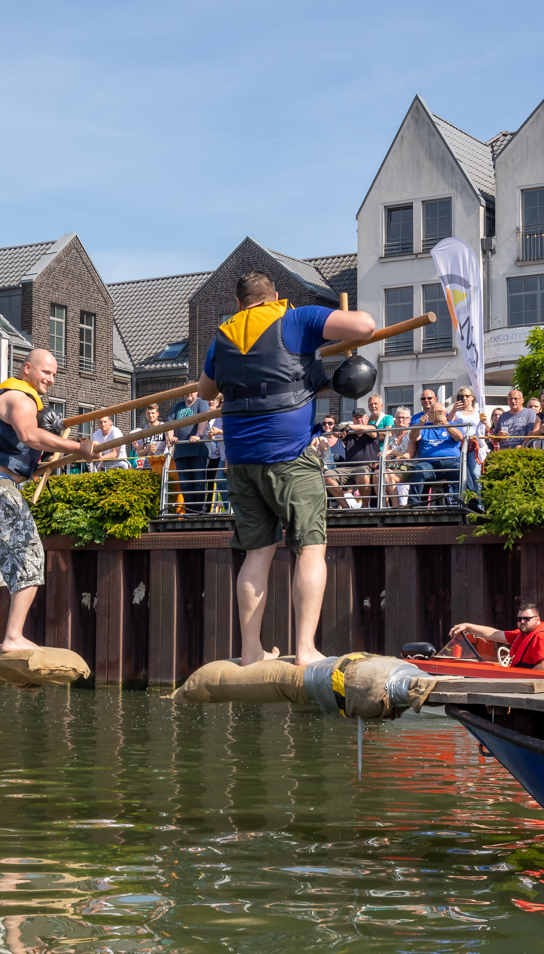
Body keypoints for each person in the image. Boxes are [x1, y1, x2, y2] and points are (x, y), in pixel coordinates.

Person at [194, 269, 375, 667]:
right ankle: (306, 650)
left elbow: (205, 392)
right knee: (310, 547)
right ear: (275, 295)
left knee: (256, 554)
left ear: (238, 303)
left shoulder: (223, 335)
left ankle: (250, 651)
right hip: (290, 456)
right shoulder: (295, 318)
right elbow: (365, 325)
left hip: (240, 460)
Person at [0, 349, 96, 652]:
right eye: (46, 372)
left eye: (55, 374)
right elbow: (29, 435)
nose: (51, 379)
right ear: (27, 369)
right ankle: (14, 637)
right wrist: (77, 447)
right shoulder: (21, 397)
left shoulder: (7, 396)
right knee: (30, 552)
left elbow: (19, 445)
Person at [448, 601, 544, 670]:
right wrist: (468, 626)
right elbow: (492, 634)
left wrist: (520, 678)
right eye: (519, 619)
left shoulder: (542, 637)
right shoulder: (521, 634)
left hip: (530, 684)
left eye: (527, 619)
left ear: (538, 619)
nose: (522, 621)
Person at [403, 388, 461, 505]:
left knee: (461, 469)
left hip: (450, 463)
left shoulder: (453, 424)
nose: (437, 415)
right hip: (429, 464)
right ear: (429, 414)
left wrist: (445, 423)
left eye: (440, 412)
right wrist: (420, 425)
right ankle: (414, 504)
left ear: (445, 413)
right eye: (433, 412)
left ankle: (461, 502)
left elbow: (459, 437)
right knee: (418, 470)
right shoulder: (425, 427)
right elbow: (413, 438)